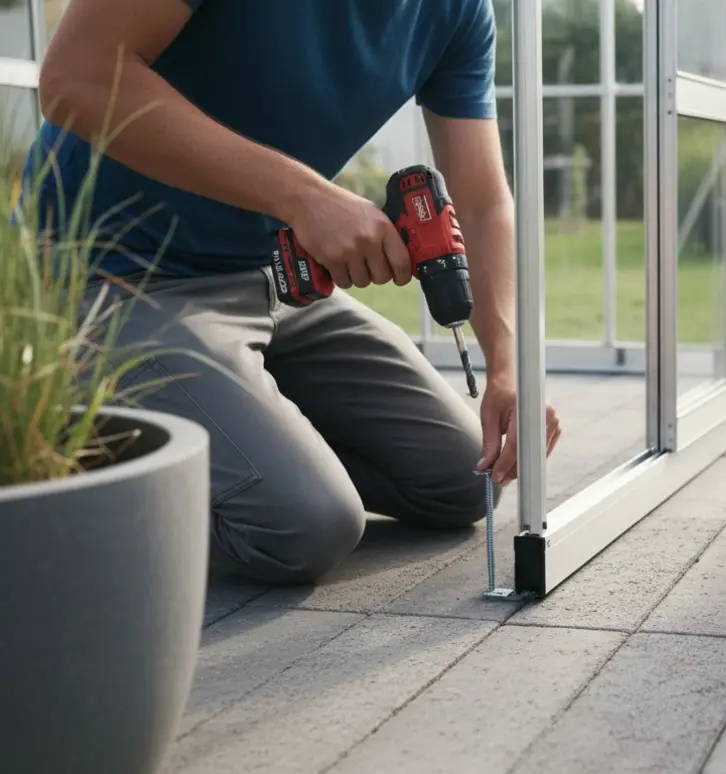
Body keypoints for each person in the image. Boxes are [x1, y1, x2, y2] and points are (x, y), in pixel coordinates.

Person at [26, 0, 562, 584]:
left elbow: (482, 202)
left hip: (273, 279)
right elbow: (74, 78)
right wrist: (305, 198)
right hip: (116, 275)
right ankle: (43, 443)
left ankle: (251, 446)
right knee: (304, 527)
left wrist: (508, 365)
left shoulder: (456, 10)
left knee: (463, 478)